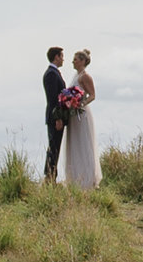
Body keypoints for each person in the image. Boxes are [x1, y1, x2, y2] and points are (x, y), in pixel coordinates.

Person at [63, 48, 101, 190]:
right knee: (74, 143)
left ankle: (88, 179)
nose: (73, 61)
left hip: (81, 113)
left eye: (76, 59)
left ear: (83, 61)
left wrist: (80, 103)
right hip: (73, 114)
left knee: (84, 143)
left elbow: (92, 95)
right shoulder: (75, 76)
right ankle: (75, 178)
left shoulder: (85, 77)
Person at [41, 46, 68, 183]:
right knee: (54, 146)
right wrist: (57, 117)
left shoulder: (55, 72)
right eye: (62, 56)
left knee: (55, 145)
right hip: (54, 117)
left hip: (57, 116)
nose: (63, 59)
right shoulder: (51, 74)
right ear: (56, 57)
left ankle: (51, 174)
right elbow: (53, 99)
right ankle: (50, 175)